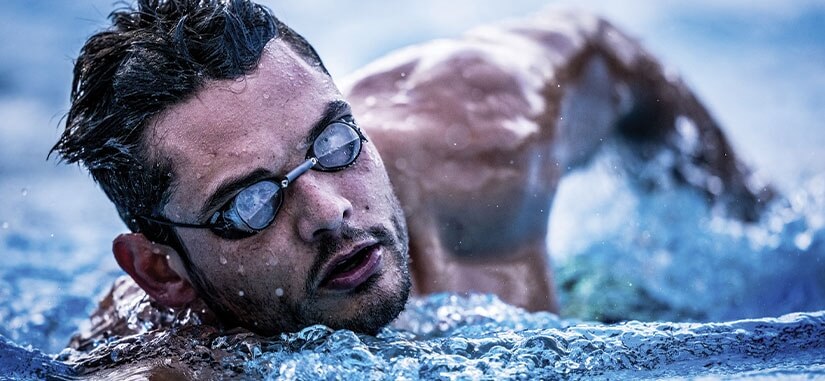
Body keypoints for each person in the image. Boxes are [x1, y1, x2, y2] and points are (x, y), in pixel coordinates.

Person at [52, 0, 770, 371]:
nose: (330, 210)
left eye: (332, 143)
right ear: (161, 269)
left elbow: (606, 51)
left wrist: (742, 212)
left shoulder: (482, 139)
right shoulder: (171, 361)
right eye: (250, 202)